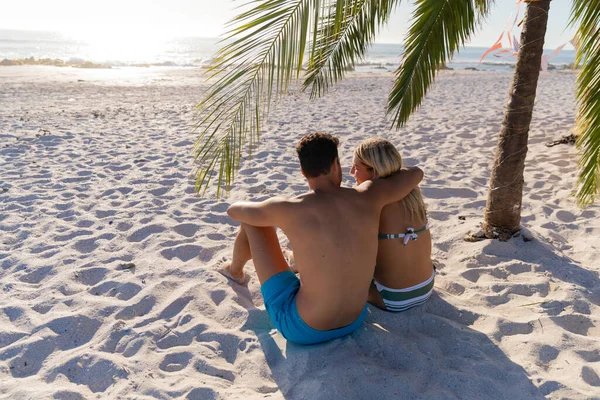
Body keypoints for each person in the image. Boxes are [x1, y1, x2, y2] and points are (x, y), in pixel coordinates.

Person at [219, 132, 423, 345]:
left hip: (303, 329)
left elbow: (233, 210)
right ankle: (249, 269)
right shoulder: (369, 196)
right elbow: (416, 173)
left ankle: (235, 272)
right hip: (355, 320)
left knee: (253, 222)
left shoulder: (290, 207)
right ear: (336, 164)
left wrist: (271, 205)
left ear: (302, 171)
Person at [350, 138, 434, 312]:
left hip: (393, 298)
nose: (352, 172)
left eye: (356, 167)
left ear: (373, 171)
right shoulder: (411, 191)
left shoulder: (370, 198)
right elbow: (416, 171)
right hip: (427, 287)